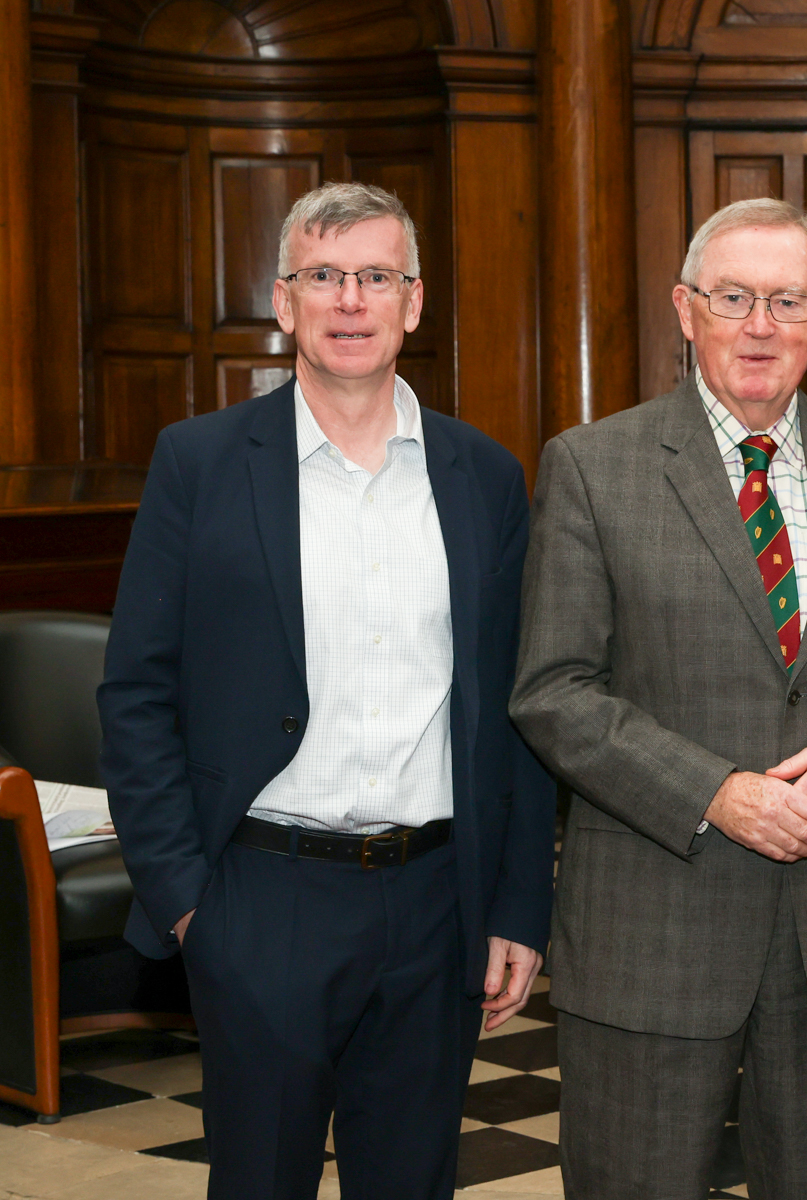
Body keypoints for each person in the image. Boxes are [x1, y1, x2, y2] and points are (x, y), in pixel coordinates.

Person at [96, 182, 555, 1199]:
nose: (352, 300)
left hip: (437, 901)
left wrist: (520, 904)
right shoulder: (202, 464)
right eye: (325, 277)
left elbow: (518, 708)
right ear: (285, 299)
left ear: (415, 301)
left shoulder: (483, 475)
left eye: (376, 276)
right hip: (262, 895)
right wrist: (185, 905)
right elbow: (135, 691)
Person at [510, 196, 807, 1199]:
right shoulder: (594, 466)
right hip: (653, 928)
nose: (760, 325)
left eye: (787, 301)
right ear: (684, 308)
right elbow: (553, 690)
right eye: (734, 297)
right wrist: (715, 792)